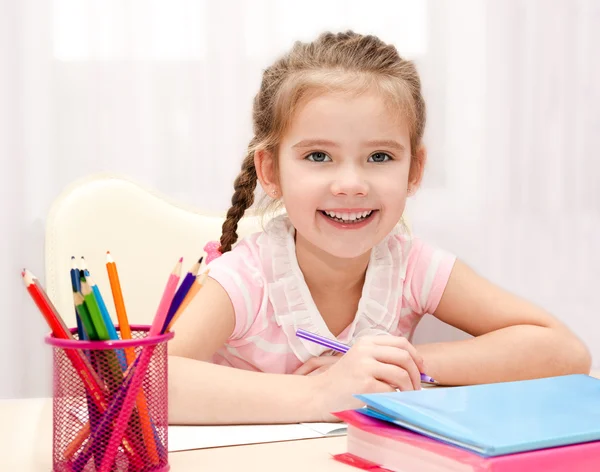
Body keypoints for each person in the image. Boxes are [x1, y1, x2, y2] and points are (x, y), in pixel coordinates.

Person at [168, 31, 590, 425]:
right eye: (317, 156)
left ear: (414, 169)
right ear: (271, 170)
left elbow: (563, 351)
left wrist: (399, 363)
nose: (351, 184)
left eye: (380, 157)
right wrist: (319, 394)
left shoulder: (410, 265)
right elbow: (145, 385)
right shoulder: (246, 279)